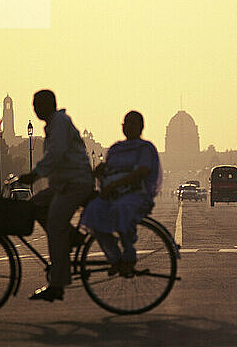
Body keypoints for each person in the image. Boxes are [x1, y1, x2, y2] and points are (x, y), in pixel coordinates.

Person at [19, 90, 94, 302]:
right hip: (65, 184)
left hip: (75, 183)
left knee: (54, 225)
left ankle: (58, 284)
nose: (34, 109)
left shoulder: (59, 123)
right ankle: (71, 237)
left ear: (48, 105)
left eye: (37, 105)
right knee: (35, 205)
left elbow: (56, 153)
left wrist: (35, 174)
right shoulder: (55, 123)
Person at [81, 111, 161, 278]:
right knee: (93, 211)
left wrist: (117, 183)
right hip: (113, 194)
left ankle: (129, 255)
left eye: (133, 123)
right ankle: (115, 257)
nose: (129, 127)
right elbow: (109, 170)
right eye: (127, 123)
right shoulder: (116, 148)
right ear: (122, 126)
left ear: (141, 127)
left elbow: (143, 171)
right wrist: (100, 171)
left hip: (136, 195)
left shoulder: (145, 148)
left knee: (121, 208)